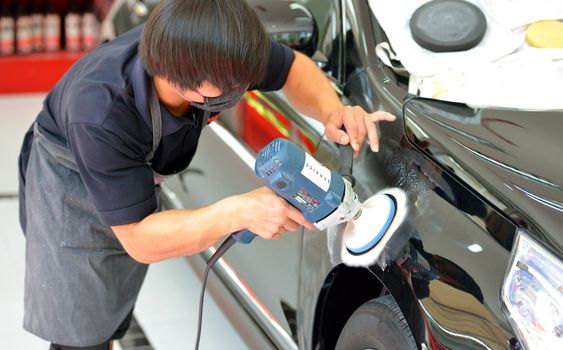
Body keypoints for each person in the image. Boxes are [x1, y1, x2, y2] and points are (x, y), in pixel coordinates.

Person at [18, 0, 396, 348]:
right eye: (231, 87)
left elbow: (292, 68)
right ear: (181, 82)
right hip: (70, 179)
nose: (243, 87)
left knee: (113, 295)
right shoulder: (101, 113)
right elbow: (139, 239)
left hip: (133, 165)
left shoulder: (223, 53)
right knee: (82, 322)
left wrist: (332, 111)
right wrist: (236, 212)